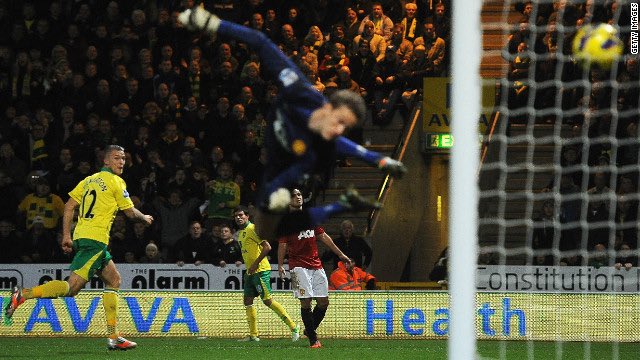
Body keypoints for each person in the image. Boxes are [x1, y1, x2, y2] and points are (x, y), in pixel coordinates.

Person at [178, 7, 406, 240]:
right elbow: (261, 40)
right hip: (275, 135)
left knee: (270, 227)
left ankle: (310, 204)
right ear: (327, 108)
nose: (339, 130)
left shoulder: (320, 148)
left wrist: (380, 160)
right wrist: (213, 24)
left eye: (345, 128)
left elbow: (346, 146)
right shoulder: (299, 89)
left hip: (284, 159)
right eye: (339, 122)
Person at [4, 145, 154, 351]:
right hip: (95, 240)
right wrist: (144, 217)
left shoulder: (88, 180)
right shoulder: (116, 182)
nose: (122, 162)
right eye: (117, 158)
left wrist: (67, 235)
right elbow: (129, 212)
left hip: (84, 236)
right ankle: (23, 294)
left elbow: (68, 206)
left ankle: (113, 337)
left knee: (114, 280)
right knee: (72, 288)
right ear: (106, 161)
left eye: (124, 159)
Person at [277, 188, 352, 348]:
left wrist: (340, 254)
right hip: (298, 266)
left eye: (299, 194)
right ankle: (313, 339)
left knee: (324, 302)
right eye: (293, 195)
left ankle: (309, 330)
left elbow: (323, 236)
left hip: (316, 264)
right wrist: (280, 264)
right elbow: (282, 245)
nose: (298, 197)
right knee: (306, 302)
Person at [233, 206, 299, 342]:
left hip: (260, 270)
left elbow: (267, 247)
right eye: (236, 216)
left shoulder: (253, 229)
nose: (238, 218)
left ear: (247, 216)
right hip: (250, 272)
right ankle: (253, 335)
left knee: (268, 301)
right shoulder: (240, 233)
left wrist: (256, 264)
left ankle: (294, 327)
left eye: (241, 215)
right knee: (247, 301)